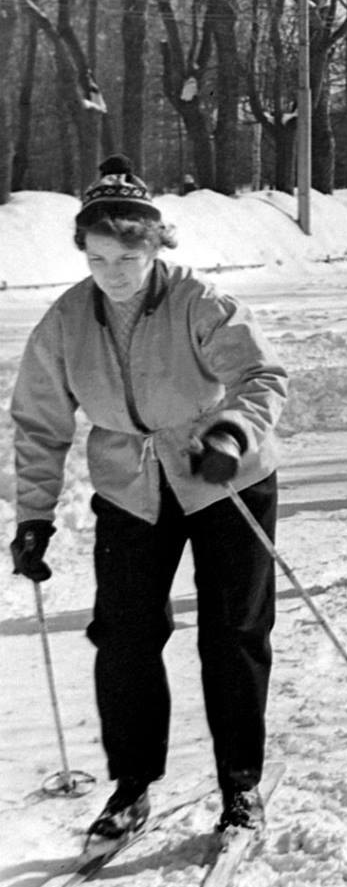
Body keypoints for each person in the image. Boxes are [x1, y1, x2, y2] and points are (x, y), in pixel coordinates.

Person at [9, 173, 287, 842]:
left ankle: (240, 786)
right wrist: (34, 516)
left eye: (127, 260)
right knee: (124, 637)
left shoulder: (199, 301)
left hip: (224, 476)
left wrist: (231, 434)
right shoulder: (67, 320)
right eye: (98, 259)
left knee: (232, 633)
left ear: (156, 247)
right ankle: (131, 787)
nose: (113, 274)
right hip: (129, 487)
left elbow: (263, 376)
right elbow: (39, 422)